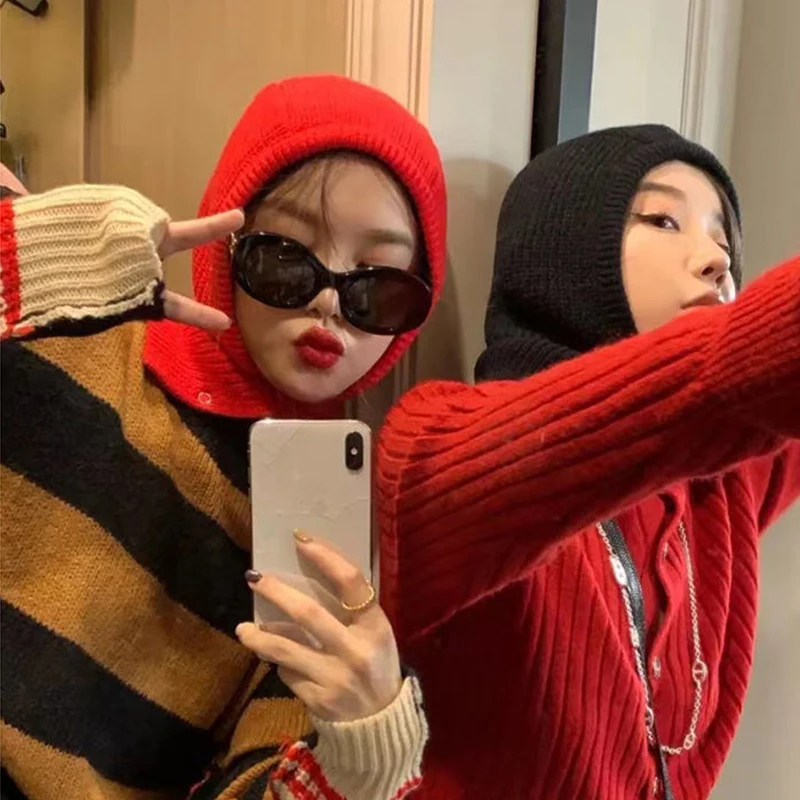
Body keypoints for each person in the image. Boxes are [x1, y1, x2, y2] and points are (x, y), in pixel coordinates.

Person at [0, 74, 446, 800]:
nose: (328, 302)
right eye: (284, 257)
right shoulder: (77, 338)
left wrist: (362, 753)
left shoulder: (333, 535)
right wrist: (15, 258)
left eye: (379, 286)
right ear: (224, 247)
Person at [375, 125, 800, 798]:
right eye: (663, 220)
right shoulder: (438, 443)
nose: (716, 261)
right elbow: (742, 368)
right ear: (564, 250)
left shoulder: (717, 489)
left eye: (725, 241)